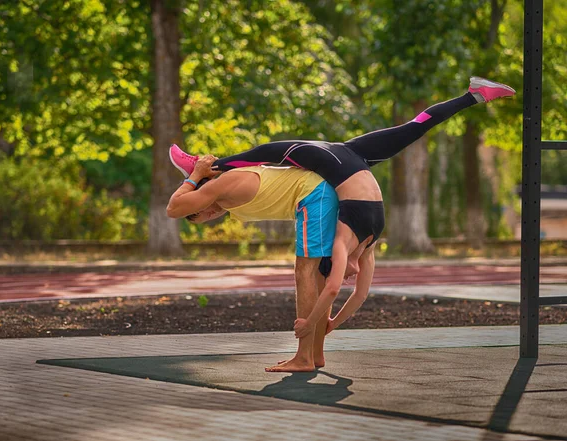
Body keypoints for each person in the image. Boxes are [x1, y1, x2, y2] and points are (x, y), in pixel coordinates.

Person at [169, 77, 515, 372]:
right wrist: (327, 323)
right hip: (348, 159)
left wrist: (199, 175)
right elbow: (357, 292)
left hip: (331, 164)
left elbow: (337, 287)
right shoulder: (365, 244)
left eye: (201, 215)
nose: (209, 217)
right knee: (414, 127)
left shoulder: (348, 241)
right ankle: (472, 95)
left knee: (277, 159)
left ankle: (200, 164)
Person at [166, 158, 350, 371]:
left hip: (313, 194)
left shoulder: (220, 185)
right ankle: (314, 354)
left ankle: (303, 357)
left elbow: (173, 208)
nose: (211, 214)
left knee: (305, 272)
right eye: (206, 218)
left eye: (204, 210)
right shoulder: (226, 194)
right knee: (317, 274)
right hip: (318, 193)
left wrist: (196, 174)